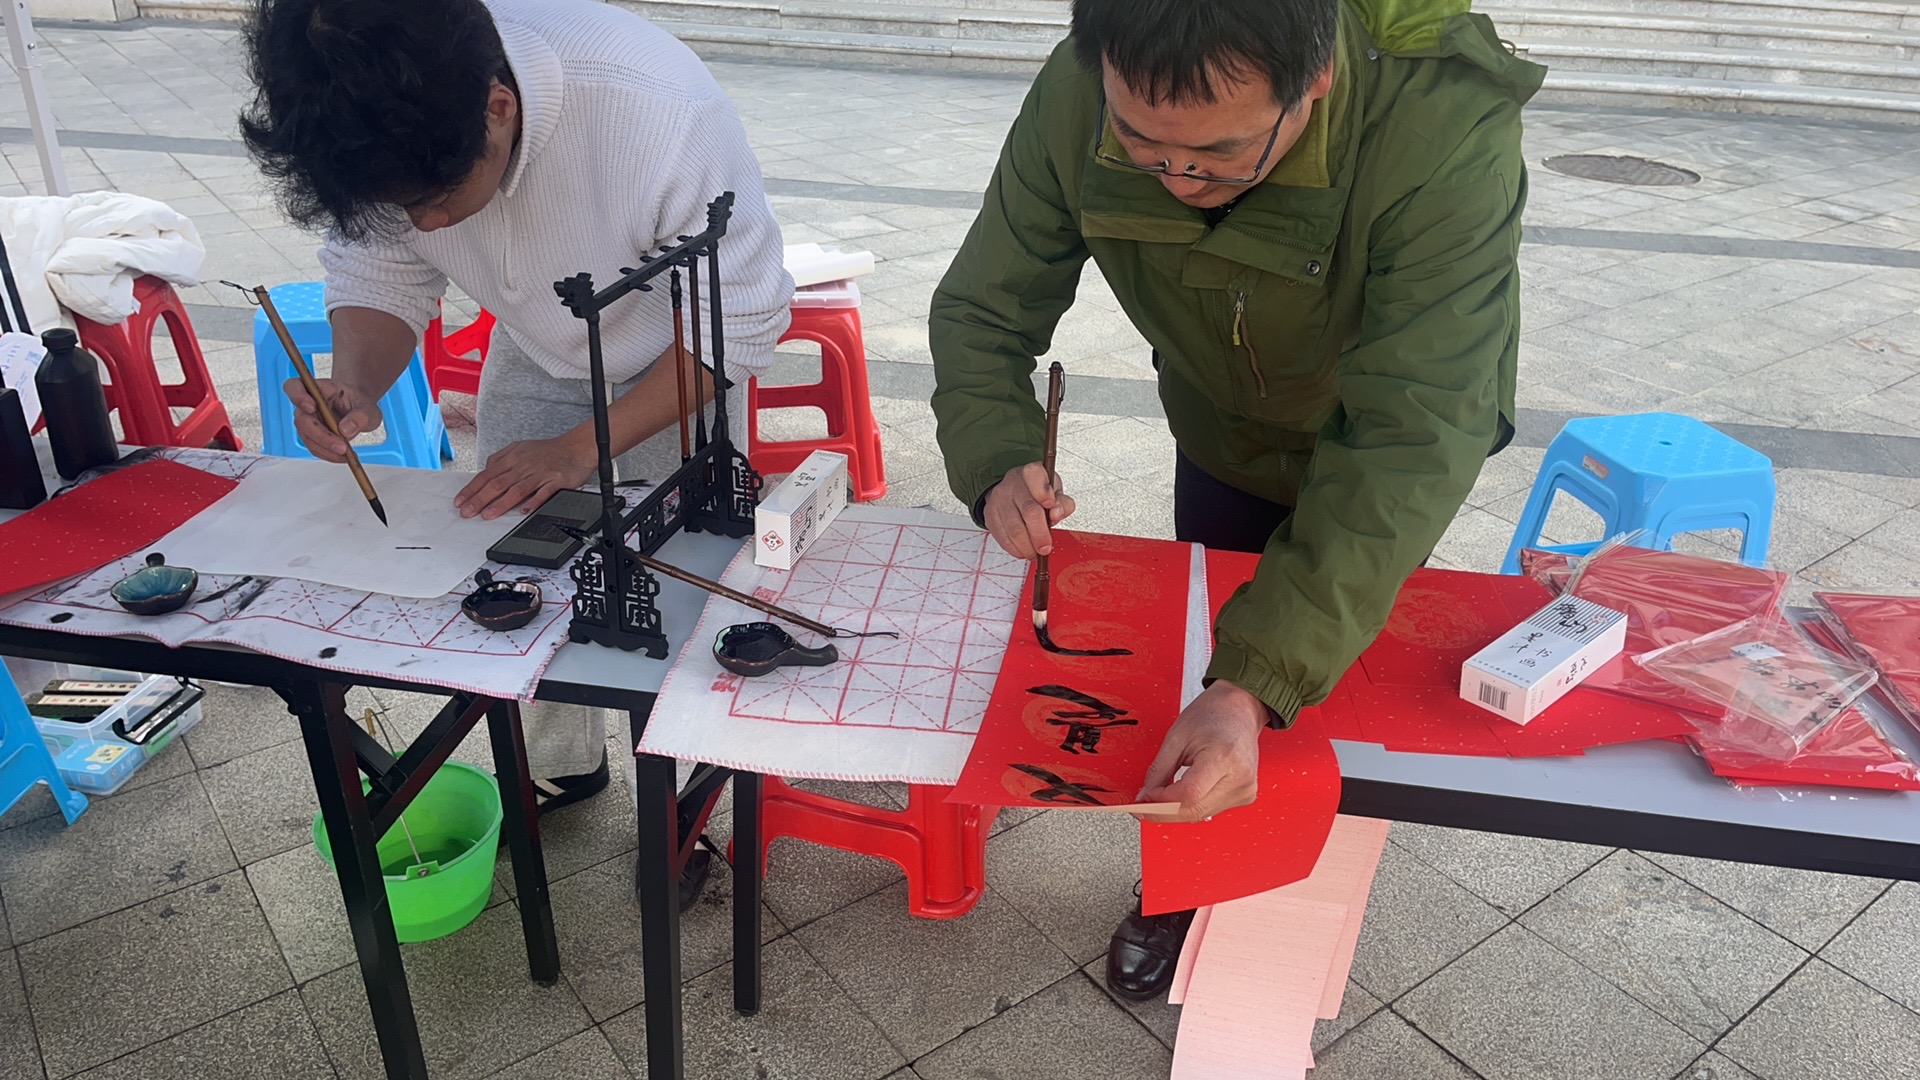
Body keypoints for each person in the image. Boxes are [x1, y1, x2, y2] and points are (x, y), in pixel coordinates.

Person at [928, 0, 1542, 1000]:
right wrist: (996, 459)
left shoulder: (1441, 120)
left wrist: (1256, 683)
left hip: (1375, 442)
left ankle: (1278, 906)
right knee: (1198, 674)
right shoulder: (1086, 82)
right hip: (1219, 429)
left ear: (1316, 80)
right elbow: (983, 308)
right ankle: (1181, 886)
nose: (1178, 179)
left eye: (1219, 153)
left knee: (1299, 680)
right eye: (1141, 144)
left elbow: (1414, 431)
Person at [240, 0, 793, 904]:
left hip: (679, 352)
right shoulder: (376, 108)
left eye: (433, 200)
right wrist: (357, 385)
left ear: (498, 107)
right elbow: (382, 268)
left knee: (676, 585)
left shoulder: (655, 107)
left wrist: (581, 447)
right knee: (523, 569)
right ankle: (562, 766)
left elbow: (742, 318)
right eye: (400, 206)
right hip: (539, 345)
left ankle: (681, 793)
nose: (424, 226)